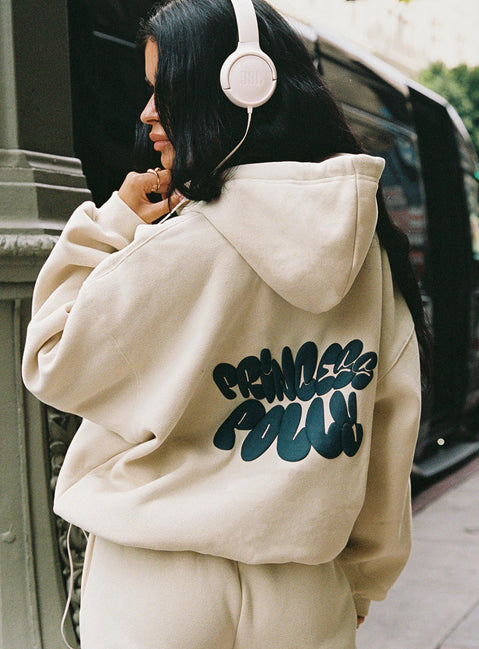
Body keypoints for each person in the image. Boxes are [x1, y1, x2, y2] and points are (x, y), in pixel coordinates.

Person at [22, 0, 427, 647]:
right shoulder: (368, 255)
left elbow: (53, 357)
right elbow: (388, 434)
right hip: (304, 588)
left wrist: (112, 221)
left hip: (159, 585)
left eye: (164, 90)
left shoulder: (181, 243)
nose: (147, 113)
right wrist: (359, 581)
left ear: (243, 87)